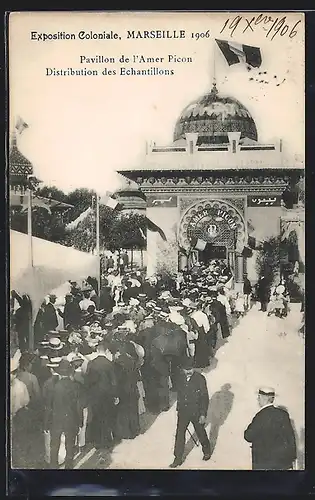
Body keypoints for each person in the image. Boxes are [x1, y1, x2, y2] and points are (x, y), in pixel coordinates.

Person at [170, 357, 211, 468]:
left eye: (191, 368)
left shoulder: (200, 379)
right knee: (179, 434)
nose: (188, 371)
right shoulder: (179, 378)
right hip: (183, 411)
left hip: (196, 411)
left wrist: (203, 414)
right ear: (182, 369)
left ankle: (207, 450)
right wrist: (179, 408)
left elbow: (204, 397)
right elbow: (180, 394)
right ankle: (178, 458)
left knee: (200, 431)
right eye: (186, 369)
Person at [43, 359, 84, 469]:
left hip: (56, 421)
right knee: (70, 447)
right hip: (71, 421)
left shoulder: (53, 387)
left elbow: (49, 407)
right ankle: (68, 468)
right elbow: (78, 407)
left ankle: (53, 468)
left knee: (54, 446)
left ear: (60, 373)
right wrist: (80, 423)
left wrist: (46, 423)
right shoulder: (76, 386)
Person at [244, 387, 297, 470]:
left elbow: (248, 436)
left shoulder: (260, 416)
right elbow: (290, 438)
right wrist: (292, 458)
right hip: (282, 462)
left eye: (259, 396)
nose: (257, 399)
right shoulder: (283, 414)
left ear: (263, 398)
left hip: (263, 462)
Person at [85, 338, 119, 451]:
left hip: (95, 395)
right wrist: (115, 395)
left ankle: (97, 441)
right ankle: (107, 441)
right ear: (105, 350)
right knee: (107, 417)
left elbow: (88, 380)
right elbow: (114, 381)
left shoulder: (91, 363)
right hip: (107, 395)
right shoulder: (109, 364)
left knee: (96, 417)